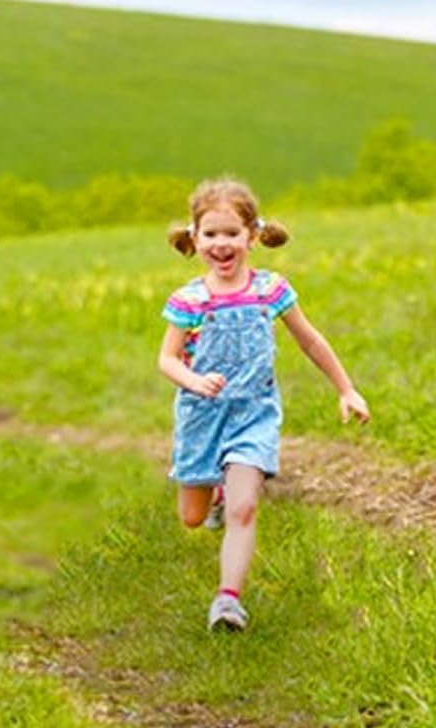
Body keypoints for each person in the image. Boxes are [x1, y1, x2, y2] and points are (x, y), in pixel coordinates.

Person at [158, 178, 370, 632]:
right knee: (192, 518)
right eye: (211, 234)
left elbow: (310, 341)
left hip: (253, 416)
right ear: (195, 239)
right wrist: (194, 380)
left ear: (252, 236)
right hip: (201, 418)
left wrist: (346, 389)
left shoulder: (271, 290)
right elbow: (167, 359)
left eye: (231, 233)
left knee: (245, 509)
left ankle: (228, 601)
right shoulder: (189, 300)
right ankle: (213, 492)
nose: (221, 243)